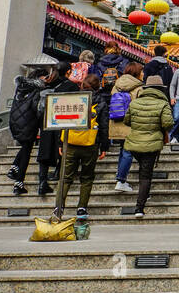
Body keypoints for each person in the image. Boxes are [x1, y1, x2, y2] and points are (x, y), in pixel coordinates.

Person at [55, 73, 108, 221]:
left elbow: (62, 120)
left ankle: (59, 207)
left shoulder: (74, 100)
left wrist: (61, 142)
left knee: (65, 178)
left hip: (70, 142)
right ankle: (81, 208)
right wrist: (104, 146)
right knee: (87, 177)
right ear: (98, 87)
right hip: (90, 144)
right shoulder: (101, 102)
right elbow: (104, 126)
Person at [123, 74, 173, 218]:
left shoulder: (134, 103)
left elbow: (127, 121)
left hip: (134, 143)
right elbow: (168, 123)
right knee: (145, 175)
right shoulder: (163, 104)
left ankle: (144, 195)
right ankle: (139, 207)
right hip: (152, 143)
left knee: (143, 171)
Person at [7, 64, 58, 197]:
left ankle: (14, 170)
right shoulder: (38, 89)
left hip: (16, 121)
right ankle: (18, 182)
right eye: (45, 76)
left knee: (25, 147)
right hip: (29, 123)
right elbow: (39, 110)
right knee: (26, 151)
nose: (47, 79)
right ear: (39, 77)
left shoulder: (21, 87)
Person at [109, 62, 143, 193]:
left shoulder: (116, 86)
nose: (143, 74)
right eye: (141, 71)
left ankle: (120, 177)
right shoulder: (138, 88)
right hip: (130, 124)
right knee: (128, 152)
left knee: (123, 150)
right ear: (136, 72)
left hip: (117, 123)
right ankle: (121, 180)